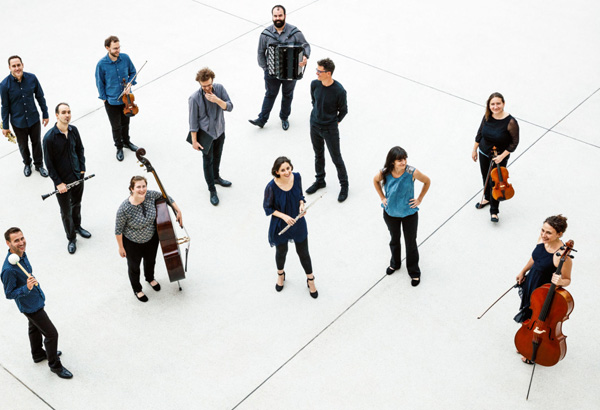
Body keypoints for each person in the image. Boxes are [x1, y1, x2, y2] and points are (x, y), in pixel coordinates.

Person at [1, 227, 73, 379]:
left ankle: (38, 354)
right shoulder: (8, 270)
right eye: (16, 240)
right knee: (51, 334)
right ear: (8, 243)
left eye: (22, 238)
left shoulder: (21, 254)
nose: (21, 242)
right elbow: (9, 293)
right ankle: (55, 365)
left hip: (36, 299)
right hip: (30, 306)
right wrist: (26, 288)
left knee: (34, 327)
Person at [115, 176, 183, 302]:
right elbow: (118, 230)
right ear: (132, 189)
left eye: (144, 186)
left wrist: (178, 210)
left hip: (151, 238)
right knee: (134, 267)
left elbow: (167, 197)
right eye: (138, 187)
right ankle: (137, 289)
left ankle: (150, 278)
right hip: (132, 243)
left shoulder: (151, 195)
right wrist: (121, 247)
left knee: (150, 261)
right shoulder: (124, 208)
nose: (142, 190)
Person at [373, 146, 431, 287]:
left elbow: (427, 181)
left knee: (410, 242)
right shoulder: (385, 172)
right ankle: (395, 264)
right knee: (394, 239)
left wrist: (419, 199)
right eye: (400, 160)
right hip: (391, 213)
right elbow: (375, 181)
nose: (403, 162)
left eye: (404, 159)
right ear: (392, 161)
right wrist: (382, 197)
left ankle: (414, 271)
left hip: (409, 214)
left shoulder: (411, 172)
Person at [263, 157, 318, 298]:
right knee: (281, 252)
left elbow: (300, 195)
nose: (287, 172)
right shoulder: (271, 187)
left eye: (288, 168)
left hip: (297, 221)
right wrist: (285, 217)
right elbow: (268, 208)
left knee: (304, 253)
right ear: (277, 172)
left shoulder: (297, 177)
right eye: (283, 170)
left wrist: (302, 205)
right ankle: (280, 275)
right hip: (281, 224)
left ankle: (310, 279)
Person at [249, 4, 309, 130]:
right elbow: (260, 53)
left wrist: (305, 56)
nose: (277, 18)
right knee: (270, 94)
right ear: (272, 16)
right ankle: (262, 119)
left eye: (280, 15)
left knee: (287, 95)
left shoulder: (295, 32)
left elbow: (305, 46)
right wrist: (266, 69)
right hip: (272, 73)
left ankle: (284, 118)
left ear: (285, 16)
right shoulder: (266, 34)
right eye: (275, 16)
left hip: (291, 72)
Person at [43, 103, 90, 254]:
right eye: (63, 112)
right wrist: (58, 183)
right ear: (57, 115)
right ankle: (71, 238)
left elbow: (80, 149)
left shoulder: (74, 130)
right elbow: (49, 165)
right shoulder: (49, 138)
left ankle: (77, 227)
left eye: (69, 112)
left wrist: (82, 169)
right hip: (62, 182)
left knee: (77, 204)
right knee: (66, 212)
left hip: (77, 176)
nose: (67, 115)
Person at [514, 215, 572, 330]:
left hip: (543, 290)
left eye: (549, 233)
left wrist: (560, 281)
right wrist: (523, 271)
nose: (543, 235)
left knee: (538, 316)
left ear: (559, 234)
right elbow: (535, 258)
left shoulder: (561, 257)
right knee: (528, 311)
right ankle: (526, 333)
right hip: (531, 280)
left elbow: (567, 280)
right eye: (542, 230)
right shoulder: (542, 240)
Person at [188, 67, 233, 206]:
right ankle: (212, 189)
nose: (207, 88)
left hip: (220, 130)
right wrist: (194, 141)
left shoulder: (219, 89)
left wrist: (217, 100)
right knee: (208, 161)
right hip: (206, 136)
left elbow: (230, 106)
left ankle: (216, 177)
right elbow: (193, 122)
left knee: (217, 156)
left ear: (213, 80)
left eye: (209, 85)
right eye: (204, 86)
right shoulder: (194, 98)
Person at [472, 92, 519, 223]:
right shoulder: (487, 116)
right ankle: (487, 198)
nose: (495, 106)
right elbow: (480, 133)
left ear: (503, 104)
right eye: (492, 104)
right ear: (489, 105)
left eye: (498, 103)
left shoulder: (511, 122)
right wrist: (475, 149)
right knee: (486, 177)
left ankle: (494, 211)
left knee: (496, 183)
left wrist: (501, 156)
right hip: (483, 152)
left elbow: (514, 143)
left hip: (499, 157)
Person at [306, 58, 349, 202]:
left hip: (329, 128)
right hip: (314, 125)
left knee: (336, 158)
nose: (317, 73)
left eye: (320, 71)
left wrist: (334, 122)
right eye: (317, 70)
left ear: (328, 73)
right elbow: (314, 101)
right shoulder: (314, 84)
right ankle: (320, 180)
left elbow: (343, 110)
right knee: (318, 155)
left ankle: (344, 186)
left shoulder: (339, 91)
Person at [1, 56, 49, 177]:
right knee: (23, 145)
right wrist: (5, 126)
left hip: (33, 119)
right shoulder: (4, 85)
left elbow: (40, 97)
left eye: (18, 65)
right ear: (9, 67)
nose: (17, 68)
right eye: (14, 66)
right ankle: (27, 164)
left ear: (22, 65)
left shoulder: (32, 78)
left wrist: (45, 113)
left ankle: (39, 165)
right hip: (18, 122)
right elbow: (5, 107)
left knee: (36, 143)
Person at [95, 35, 139, 161]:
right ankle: (119, 147)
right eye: (115, 48)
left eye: (119, 47)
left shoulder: (125, 58)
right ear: (107, 48)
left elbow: (133, 72)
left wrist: (130, 83)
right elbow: (100, 83)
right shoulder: (101, 64)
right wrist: (104, 99)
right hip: (112, 101)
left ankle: (127, 142)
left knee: (126, 123)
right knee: (116, 126)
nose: (118, 50)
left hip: (127, 99)